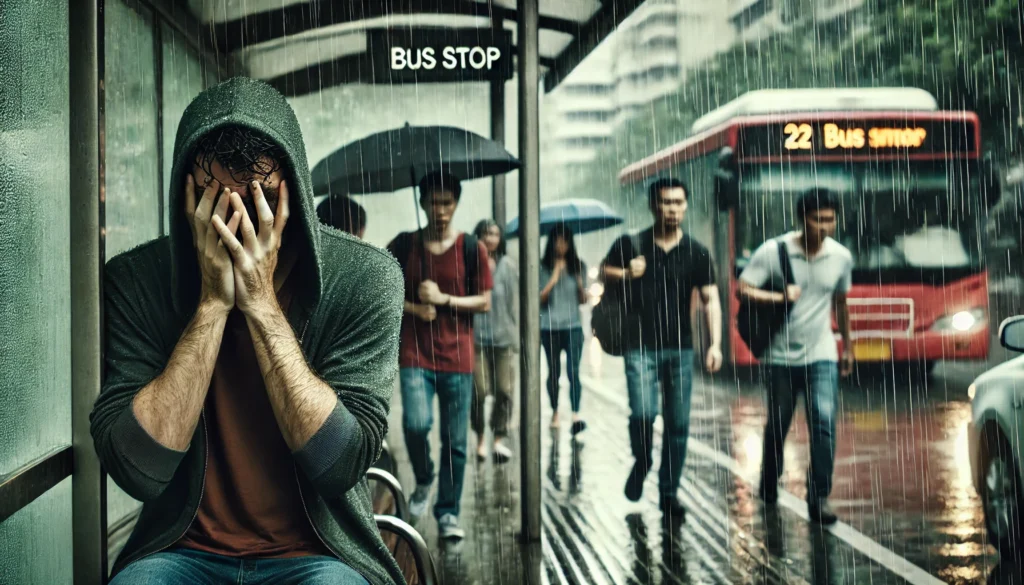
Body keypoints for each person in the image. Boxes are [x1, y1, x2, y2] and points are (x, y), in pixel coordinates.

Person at [90, 77, 405, 584]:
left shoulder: (366, 278)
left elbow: (340, 464)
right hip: (182, 552)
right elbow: (138, 468)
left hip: (319, 556)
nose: (238, 223)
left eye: (259, 200)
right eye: (217, 200)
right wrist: (212, 305)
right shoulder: (135, 281)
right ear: (186, 195)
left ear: (293, 195)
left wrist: (261, 304)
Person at [600, 177, 723, 520]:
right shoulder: (632, 243)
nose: (673, 209)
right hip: (639, 347)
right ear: (653, 205)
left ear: (685, 206)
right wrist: (626, 273)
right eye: (666, 202)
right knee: (642, 414)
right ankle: (642, 462)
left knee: (678, 424)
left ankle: (668, 493)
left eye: (679, 203)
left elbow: (710, 298)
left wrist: (715, 344)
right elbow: (602, 273)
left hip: (680, 349)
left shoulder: (696, 252)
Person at [386, 172, 493, 540]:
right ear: (423, 202)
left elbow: (484, 301)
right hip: (415, 353)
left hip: (458, 358)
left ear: (456, 204)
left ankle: (448, 512)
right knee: (416, 424)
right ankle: (425, 477)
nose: (441, 210)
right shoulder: (404, 244)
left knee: (456, 441)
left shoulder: (471, 247)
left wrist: (445, 299)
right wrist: (415, 308)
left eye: (447, 202)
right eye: (434, 202)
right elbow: (383, 290)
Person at [738, 188, 854, 526]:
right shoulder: (773, 252)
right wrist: (777, 296)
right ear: (802, 219)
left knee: (823, 423)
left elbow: (841, 303)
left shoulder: (841, 257)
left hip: (822, 354)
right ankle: (769, 482)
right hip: (779, 358)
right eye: (817, 219)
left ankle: (819, 497)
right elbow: (742, 289)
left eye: (830, 219)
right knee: (778, 425)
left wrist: (847, 345)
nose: (824, 227)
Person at [471, 219, 518, 463]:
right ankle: (480, 438)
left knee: (504, 390)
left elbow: (514, 304)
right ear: (477, 236)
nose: (490, 238)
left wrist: (517, 336)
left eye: (495, 234)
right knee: (479, 392)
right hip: (475, 338)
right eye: (486, 233)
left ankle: (498, 438)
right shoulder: (469, 264)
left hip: (503, 338)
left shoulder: (508, 266)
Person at [540, 222, 589, 434]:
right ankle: (555, 411)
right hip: (549, 327)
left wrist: (579, 284)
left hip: (573, 326)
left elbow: (583, 300)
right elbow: (539, 299)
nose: (562, 245)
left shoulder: (579, 266)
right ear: (552, 242)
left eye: (566, 240)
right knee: (553, 372)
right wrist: (554, 277)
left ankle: (576, 414)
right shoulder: (542, 267)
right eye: (558, 240)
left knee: (573, 371)